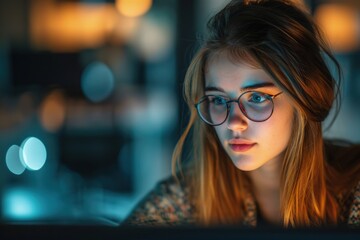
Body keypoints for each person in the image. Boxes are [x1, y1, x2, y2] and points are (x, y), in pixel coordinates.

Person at [122, 0, 360, 227]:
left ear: (305, 97)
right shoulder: (188, 197)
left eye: (257, 98)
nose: (234, 123)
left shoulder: (353, 190)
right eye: (217, 99)